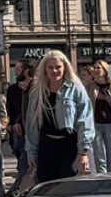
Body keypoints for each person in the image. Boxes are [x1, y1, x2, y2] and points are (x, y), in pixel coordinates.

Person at [22, 51, 95, 185]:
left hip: (69, 146)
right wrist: (31, 153)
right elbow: (32, 125)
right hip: (46, 146)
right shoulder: (37, 92)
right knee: (46, 188)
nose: (54, 71)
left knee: (68, 188)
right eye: (50, 67)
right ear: (45, 69)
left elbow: (85, 121)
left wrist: (83, 152)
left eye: (58, 67)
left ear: (65, 67)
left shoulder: (76, 89)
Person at [90, 60, 111, 175]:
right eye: (94, 68)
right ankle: (102, 179)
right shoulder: (90, 87)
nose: (95, 70)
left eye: (98, 68)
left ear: (105, 70)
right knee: (99, 156)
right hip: (95, 124)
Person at [5, 61, 33, 186]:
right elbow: (9, 107)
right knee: (18, 152)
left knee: (24, 159)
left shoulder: (32, 87)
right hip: (16, 129)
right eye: (15, 69)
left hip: (27, 129)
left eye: (18, 69)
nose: (16, 72)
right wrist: (11, 123)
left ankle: (19, 186)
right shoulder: (12, 89)